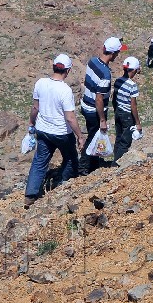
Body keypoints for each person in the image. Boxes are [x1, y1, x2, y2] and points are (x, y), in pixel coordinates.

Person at [24, 53, 84, 202]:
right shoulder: (65, 90)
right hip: (62, 133)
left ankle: (30, 194)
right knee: (70, 159)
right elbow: (70, 117)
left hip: (43, 130)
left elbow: (35, 108)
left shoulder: (41, 83)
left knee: (40, 161)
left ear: (53, 67)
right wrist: (80, 136)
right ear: (68, 71)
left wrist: (31, 123)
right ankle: (62, 187)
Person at [80, 37, 122, 172]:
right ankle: (83, 168)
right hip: (94, 110)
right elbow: (99, 99)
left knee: (93, 135)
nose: (117, 55)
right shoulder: (105, 74)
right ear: (113, 53)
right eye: (117, 53)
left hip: (86, 105)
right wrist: (103, 120)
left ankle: (93, 164)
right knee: (93, 138)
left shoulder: (92, 62)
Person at [112, 56, 142, 160]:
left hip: (118, 112)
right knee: (125, 141)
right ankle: (117, 163)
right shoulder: (132, 85)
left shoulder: (118, 81)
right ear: (133, 70)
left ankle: (115, 158)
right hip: (127, 115)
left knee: (118, 138)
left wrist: (116, 110)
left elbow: (114, 98)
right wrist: (137, 123)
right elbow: (133, 105)